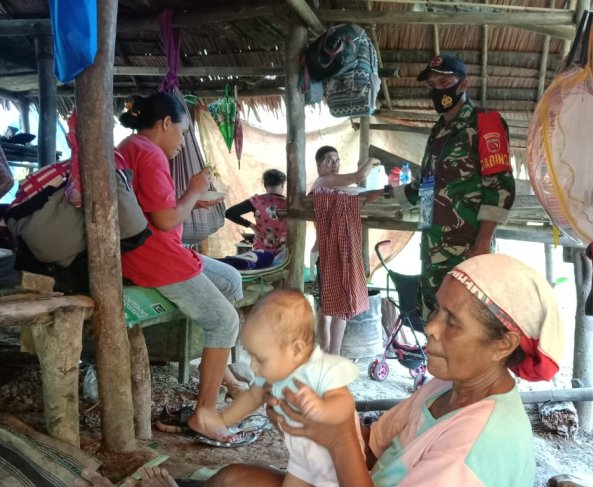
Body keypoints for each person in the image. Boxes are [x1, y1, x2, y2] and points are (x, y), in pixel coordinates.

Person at [78, 255, 563, 487]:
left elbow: (352, 447)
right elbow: (374, 443)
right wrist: (316, 425)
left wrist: (335, 439)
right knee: (231, 482)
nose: (430, 328)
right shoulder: (447, 387)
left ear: (504, 343)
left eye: (451, 322)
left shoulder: (478, 448)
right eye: (436, 310)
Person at [117, 93, 243, 441]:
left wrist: (189, 201)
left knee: (230, 280)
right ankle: (204, 413)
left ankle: (220, 372)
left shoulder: (130, 146)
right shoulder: (150, 154)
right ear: (166, 123)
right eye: (184, 133)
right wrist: (193, 191)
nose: (183, 142)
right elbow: (165, 216)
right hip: (153, 258)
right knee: (224, 319)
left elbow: (154, 209)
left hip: (153, 249)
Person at [394, 54, 516, 320]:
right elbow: (428, 183)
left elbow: (500, 187)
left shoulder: (485, 122)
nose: (438, 88)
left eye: (445, 80)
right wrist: (387, 194)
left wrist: (483, 241)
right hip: (431, 249)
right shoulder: (439, 130)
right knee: (435, 324)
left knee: (464, 323)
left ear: (463, 84)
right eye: (433, 84)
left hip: (466, 249)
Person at [214, 288, 360, 486]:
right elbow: (252, 397)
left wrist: (322, 409)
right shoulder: (276, 371)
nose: (252, 367)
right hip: (302, 460)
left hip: (334, 466)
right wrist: (222, 420)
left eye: (260, 359)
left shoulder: (320, 369)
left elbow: (345, 403)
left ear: (297, 350)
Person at [309, 145, 382, 355]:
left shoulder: (333, 188)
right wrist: (372, 160)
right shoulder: (324, 182)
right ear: (319, 165)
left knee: (333, 307)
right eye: (330, 160)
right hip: (329, 253)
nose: (335, 164)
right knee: (333, 307)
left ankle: (331, 353)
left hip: (329, 252)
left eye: (338, 160)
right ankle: (330, 353)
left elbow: (359, 192)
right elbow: (360, 176)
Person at [221, 169, 287, 270]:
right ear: (282, 184)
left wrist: (252, 226)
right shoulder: (290, 204)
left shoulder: (257, 201)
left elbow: (229, 213)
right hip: (283, 256)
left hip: (259, 253)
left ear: (265, 184)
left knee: (250, 267)